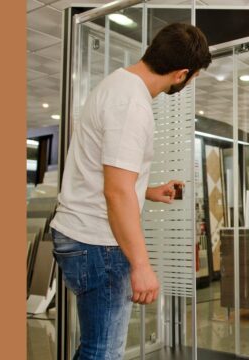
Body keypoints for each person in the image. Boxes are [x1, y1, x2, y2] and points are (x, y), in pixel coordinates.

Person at [50, 23, 212, 360]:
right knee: (103, 352)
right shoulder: (132, 106)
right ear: (181, 74)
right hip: (99, 244)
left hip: (80, 235)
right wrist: (141, 265)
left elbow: (106, 175)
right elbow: (117, 192)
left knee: (95, 347)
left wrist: (149, 191)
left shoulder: (117, 84)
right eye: (193, 76)